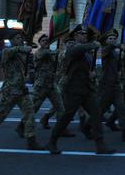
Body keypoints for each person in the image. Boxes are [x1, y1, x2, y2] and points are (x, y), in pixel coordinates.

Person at [45, 25, 116, 155]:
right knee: (67, 116)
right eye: (81, 34)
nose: (84, 35)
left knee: (96, 113)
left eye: (85, 34)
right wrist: (93, 44)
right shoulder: (73, 48)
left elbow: (90, 65)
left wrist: (93, 73)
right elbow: (79, 49)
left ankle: (100, 145)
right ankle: (52, 141)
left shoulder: (86, 52)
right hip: (73, 89)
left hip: (86, 88)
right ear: (76, 36)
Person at [0, 31, 44, 150]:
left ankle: (31, 140)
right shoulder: (7, 52)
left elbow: (24, 64)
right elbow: (17, 50)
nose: (20, 40)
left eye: (21, 38)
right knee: (1, 114)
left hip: (21, 89)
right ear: (12, 40)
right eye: (18, 38)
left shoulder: (20, 54)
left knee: (30, 113)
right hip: (10, 91)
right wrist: (25, 48)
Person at [18, 34, 73, 138]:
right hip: (41, 86)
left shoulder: (51, 54)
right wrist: (55, 52)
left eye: (47, 40)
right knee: (33, 108)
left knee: (60, 108)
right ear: (40, 43)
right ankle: (21, 126)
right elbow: (45, 54)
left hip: (51, 85)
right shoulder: (39, 53)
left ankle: (62, 129)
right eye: (43, 40)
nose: (45, 42)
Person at [95, 29, 125, 142]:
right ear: (106, 41)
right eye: (110, 38)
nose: (113, 40)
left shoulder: (115, 53)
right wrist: (117, 45)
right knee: (100, 109)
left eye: (114, 38)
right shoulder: (104, 50)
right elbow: (108, 50)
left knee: (122, 108)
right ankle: (87, 126)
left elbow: (119, 67)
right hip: (106, 85)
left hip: (115, 84)